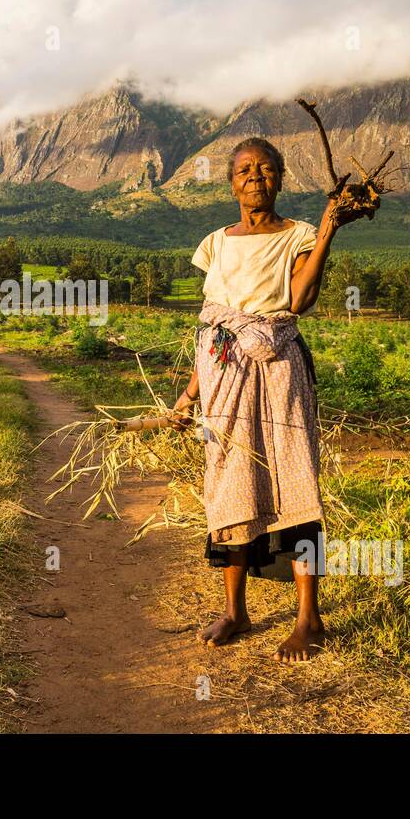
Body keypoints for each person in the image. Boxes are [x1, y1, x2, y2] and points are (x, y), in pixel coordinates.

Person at [171, 136, 364, 660]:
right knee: (230, 481)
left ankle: (310, 619)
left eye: (266, 169)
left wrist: (328, 230)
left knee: (294, 479)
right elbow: (213, 327)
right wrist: (190, 394)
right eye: (245, 170)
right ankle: (235, 610)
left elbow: (299, 300)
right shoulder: (215, 242)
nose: (255, 177)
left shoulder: (299, 235)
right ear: (231, 182)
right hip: (222, 377)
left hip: (279, 369)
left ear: (280, 178)